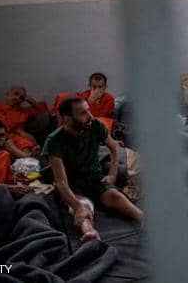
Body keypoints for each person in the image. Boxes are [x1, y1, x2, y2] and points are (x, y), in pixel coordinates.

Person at [43, 97, 143, 241]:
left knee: (114, 196)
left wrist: (112, 174)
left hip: (95, 177)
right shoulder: (54, 141)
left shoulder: (95, 125)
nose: (90, 116)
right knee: (83, 207)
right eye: (83, 113)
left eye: (88, 110)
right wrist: (77, 206)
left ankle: (143, 218)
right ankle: (90, 233)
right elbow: (60, 182)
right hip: (72, 183)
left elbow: (114, 146)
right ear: (67, 119)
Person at [0, 85, 45, 159]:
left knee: (25, 142)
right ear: (7, 94)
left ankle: (27, 156)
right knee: (8, 140)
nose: (17, 98)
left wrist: (30, 100)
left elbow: (42, 111)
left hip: (19, 137)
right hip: (0, 134)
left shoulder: (23, 111)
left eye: (21, 97)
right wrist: (18, 130)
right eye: (16, 94)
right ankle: (26, 156)